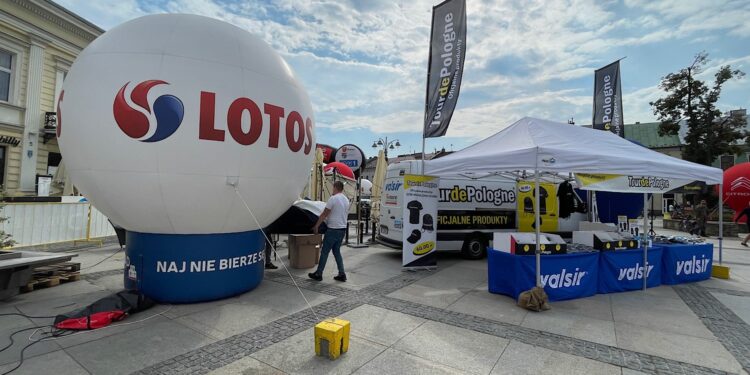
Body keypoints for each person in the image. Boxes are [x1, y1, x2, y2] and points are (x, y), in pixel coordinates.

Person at [309, 181, 350, 282]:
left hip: (333, 230)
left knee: (324, 252)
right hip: (342, 229)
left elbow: (324, 214)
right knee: (336, 252)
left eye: (333, 188)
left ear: (335, 187)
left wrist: (316, 226)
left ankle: (319, 273)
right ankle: (342, 273)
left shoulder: (333, 198)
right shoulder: (346, 200)